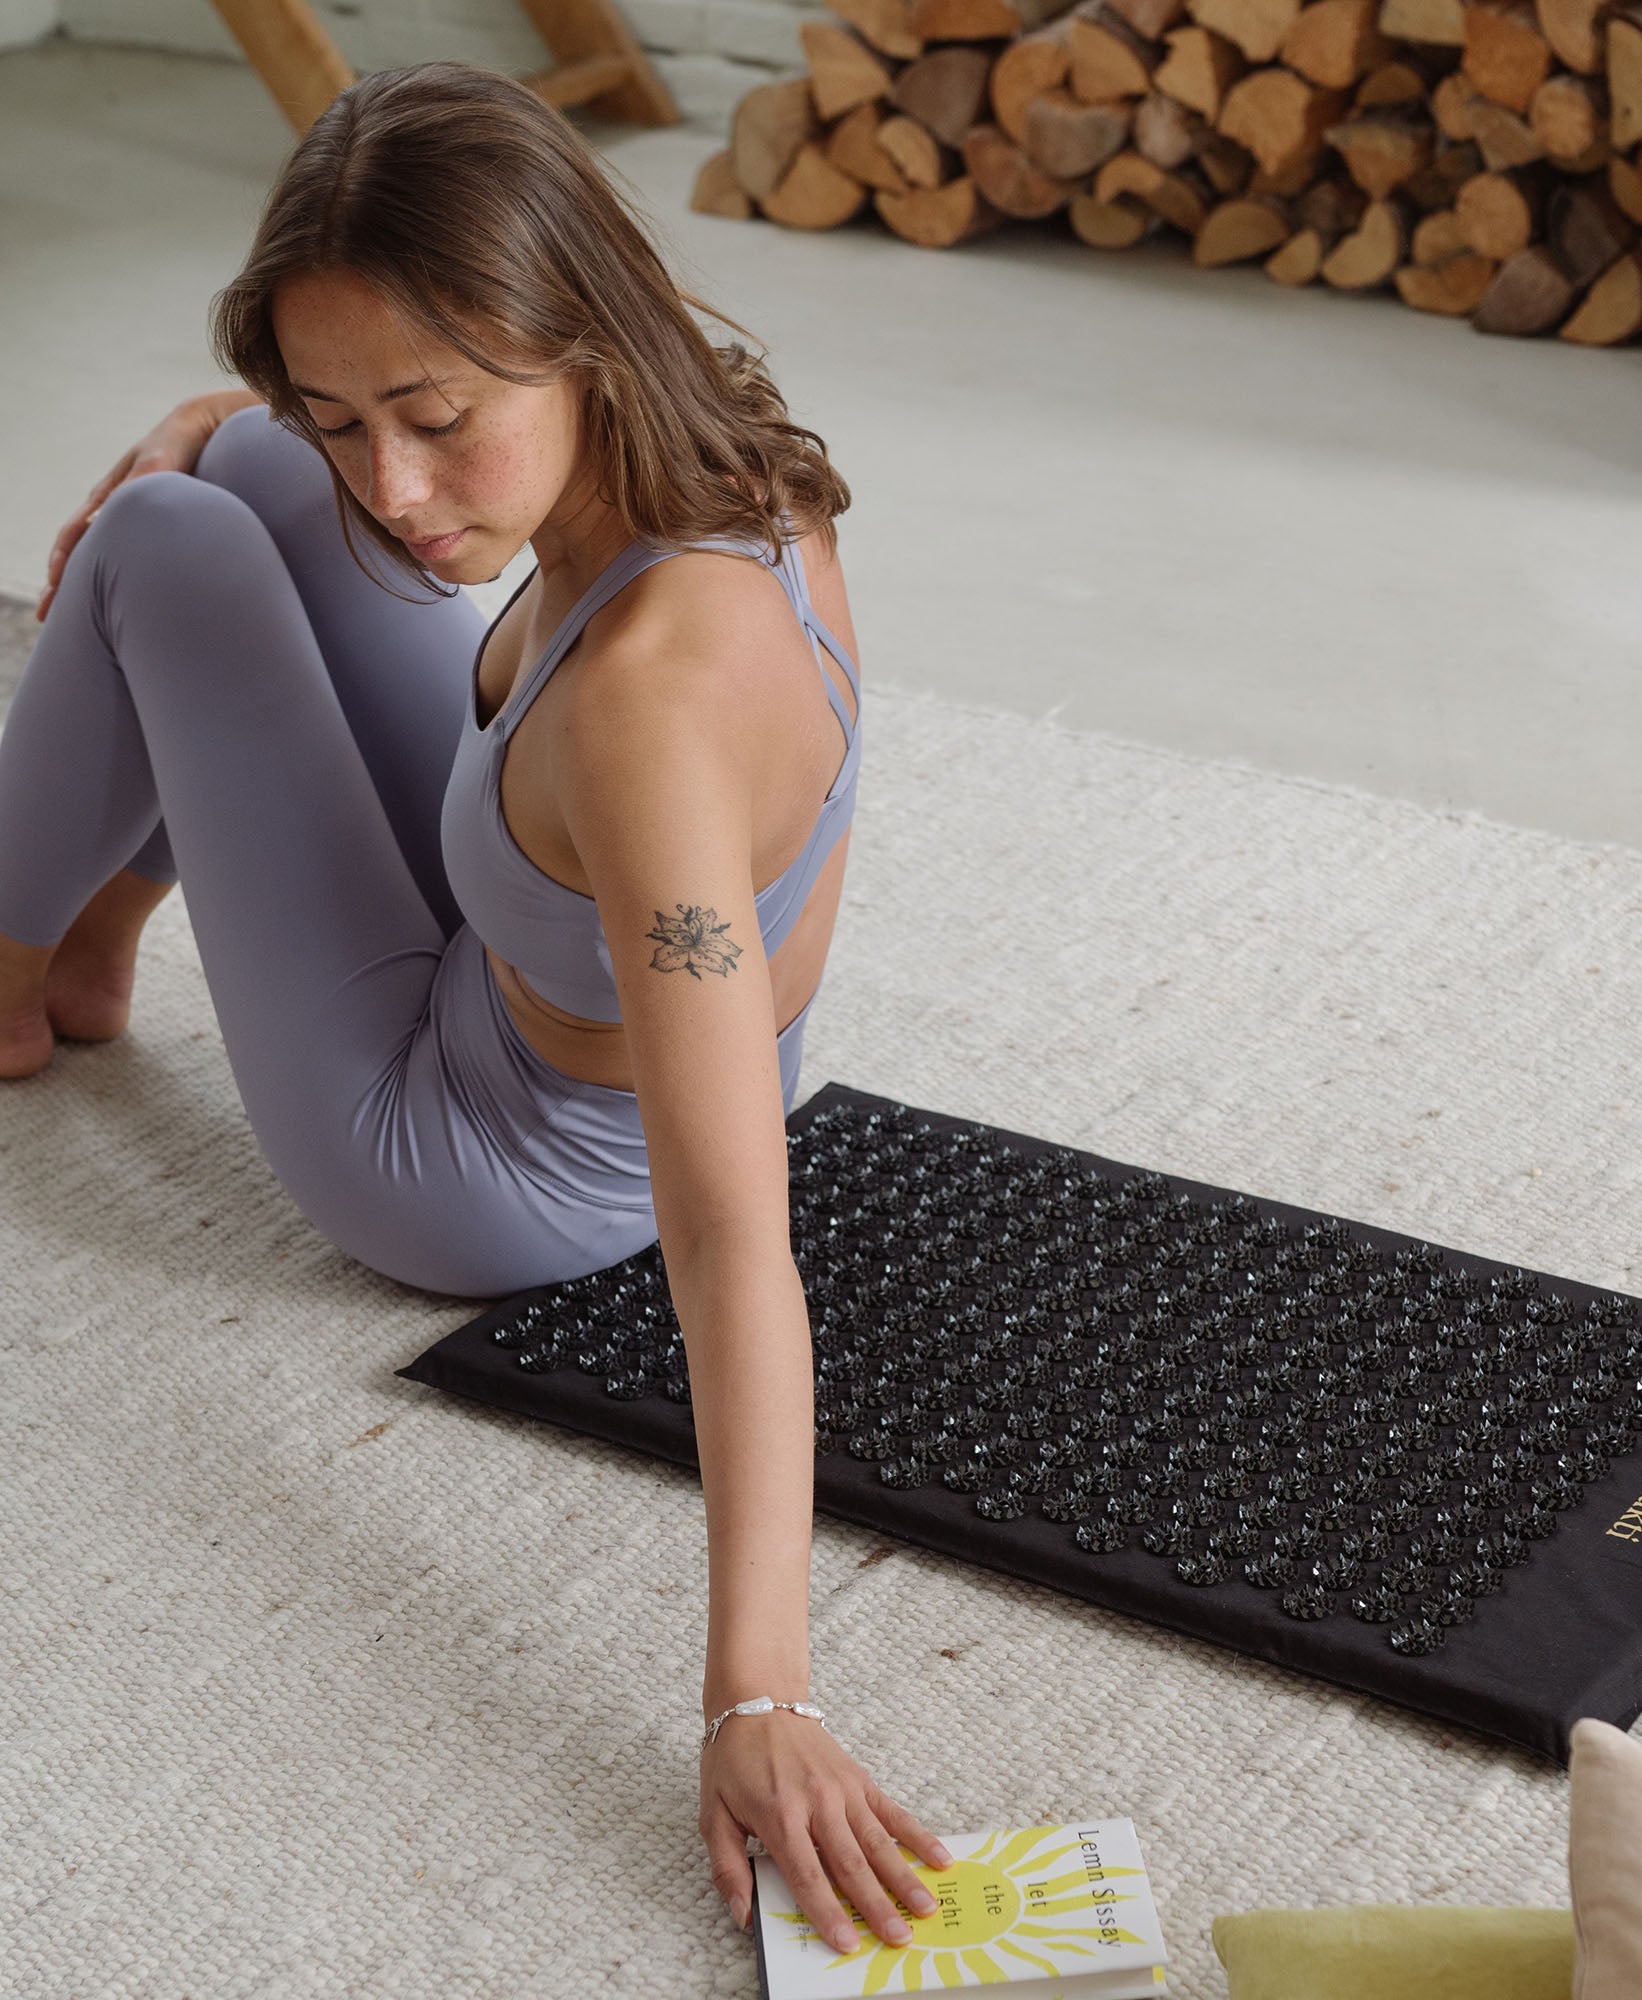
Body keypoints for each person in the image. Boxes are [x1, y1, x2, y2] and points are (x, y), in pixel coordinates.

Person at [0, 57, 952, 1957]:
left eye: (435, 419)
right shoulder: (729, 454)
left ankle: (19, 951)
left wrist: (759, 1695)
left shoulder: (649, 713)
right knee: (228, 478)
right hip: (532, 969)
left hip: (479, 1167)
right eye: (345, 414)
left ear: (569, 333)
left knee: (163, 543)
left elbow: (729, 1229)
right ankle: (84, 942)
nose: (396, 487)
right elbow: (341, 439)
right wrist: (236, 419)